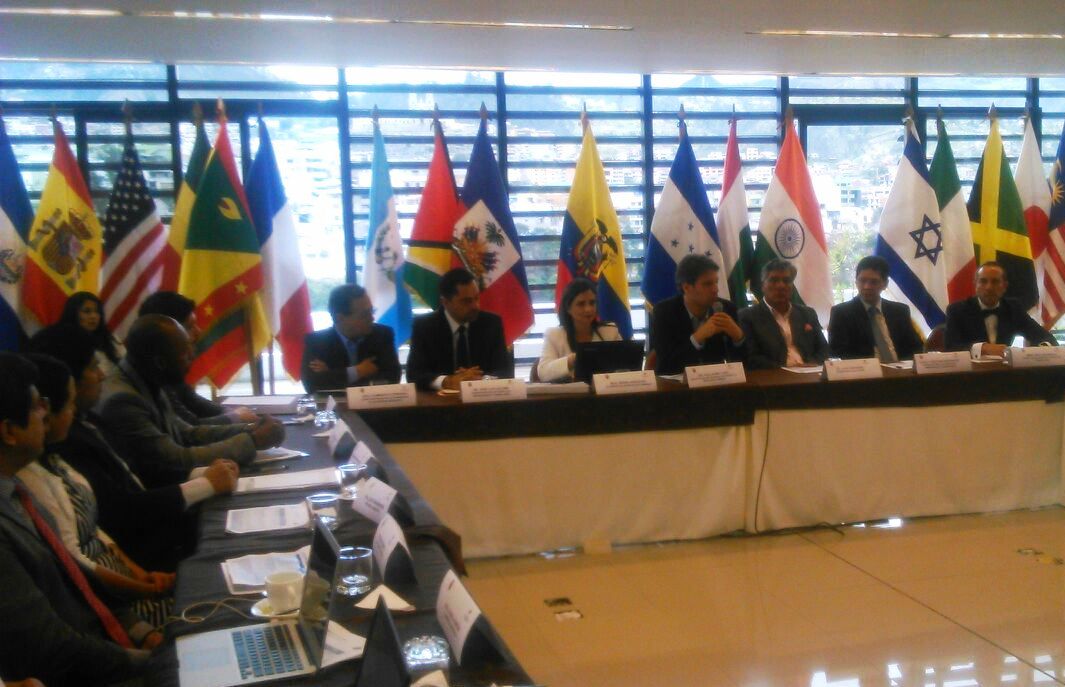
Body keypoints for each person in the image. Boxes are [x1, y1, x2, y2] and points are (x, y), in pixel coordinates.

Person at [28, 323, 237, 572]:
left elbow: (141, 470)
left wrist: (203, 474)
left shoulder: (87, 419)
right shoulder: (67, 440)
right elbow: (120, 511)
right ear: (69, 379)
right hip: (149, 555)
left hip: (163, 535)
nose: (102, 375)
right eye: (94, 367)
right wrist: (206, 484)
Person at [0, 352, 147, 687]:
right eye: (37, 405)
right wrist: (145, 662)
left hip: (108, 648)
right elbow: (50, 647)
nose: (46, 413)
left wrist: (140, 630)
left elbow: (76, 580)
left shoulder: (17, 489)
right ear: (9, 431)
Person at [17, 354, 171, 644]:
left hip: (125, 590)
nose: (72, 411)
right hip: (111, 608)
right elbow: (75, 566)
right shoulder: (28, 483)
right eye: (69, 404)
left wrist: (141, 575)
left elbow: (96, 530)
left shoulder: (56, 460)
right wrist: (146, 590)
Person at [94, 315, 284, 489]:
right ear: (161, 362)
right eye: (185, 353)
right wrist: (253, 440)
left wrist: (250, 429)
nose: (192, 356)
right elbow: (177, 459)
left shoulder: (147, 377)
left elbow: (188, 433)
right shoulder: (123, 402)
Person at [137, 291, 257, 425]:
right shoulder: (151, 377)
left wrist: (231, 413)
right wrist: (235, 417)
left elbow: (194, 402)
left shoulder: (167, 369)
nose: (198, 332)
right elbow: (190, 428)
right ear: (165, 333)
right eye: (189, 327)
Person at [406, 268, 513, 390]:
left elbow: (505, 370)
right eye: (466, 301)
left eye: (476, 298)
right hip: (440, 400)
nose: (475, 306)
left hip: (482, 397)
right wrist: (447, 381)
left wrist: (480, 380)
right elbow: (414, 375)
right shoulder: (425, 326)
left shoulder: (491, 323)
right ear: (445, 302)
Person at [651, 255, 745, 375]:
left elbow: (745, 365)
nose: (715, 289)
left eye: (716, 282)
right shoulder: (664, 312)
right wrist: (697, 338)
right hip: (677, 384)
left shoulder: (727, 309)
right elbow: (666, 363)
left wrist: (738, 337)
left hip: (716, 382)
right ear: (686, 287)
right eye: (707, 284)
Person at [300, 284, 401, 392]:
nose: (371, 318)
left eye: (371, 311)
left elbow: (392, 378)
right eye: (364, 315)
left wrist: (331, 375)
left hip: (372, 402)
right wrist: (357, 372)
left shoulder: (382, 335)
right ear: (340, 318)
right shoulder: (317, 342)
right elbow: (311, 385)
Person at [944, 261, 1057, 355]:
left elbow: (1045, 337)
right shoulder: (957, 310)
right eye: (983, 281)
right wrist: (983, 348)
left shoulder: (1013, 308)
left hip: (1005, 371)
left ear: (1004, 286)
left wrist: (1043, 350)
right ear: (975, 285)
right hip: (970, 373)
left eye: (995, 282)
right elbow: (950, 347)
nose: (989, 287)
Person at [828, 255, 924, 361]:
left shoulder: (900, 311)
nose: (867, 287)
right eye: (862, 281)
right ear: (856, 282)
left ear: (885, 284)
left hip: (901, 368)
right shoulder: (841, 313)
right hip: (865, 370)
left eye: (874, 282)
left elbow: (916, 348)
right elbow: (838, 353)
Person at [739, 259, 830, 369]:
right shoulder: (747, 316)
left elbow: (823, 349)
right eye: (774, 280)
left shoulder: (807, 314)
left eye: (786, 281)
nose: (781, 286)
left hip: (810, 373)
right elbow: (752, 357)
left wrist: (811, 365)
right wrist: (785, 370)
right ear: (763, 286)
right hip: (774, 375)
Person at [536, 278, 621, 382]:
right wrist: (573, 359)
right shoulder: (554, 335)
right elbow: (543, 373)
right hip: (570, 392)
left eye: (592, 303)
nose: (588, 309)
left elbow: (624, 368)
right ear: (568, 308)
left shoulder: (610, 332)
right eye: (581, 304)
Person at [57, 292, 121, 377]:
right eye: (87, 311)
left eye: (97, 312)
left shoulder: (110, 339)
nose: (93, 316)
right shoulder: (62, 342)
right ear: (72, 314)